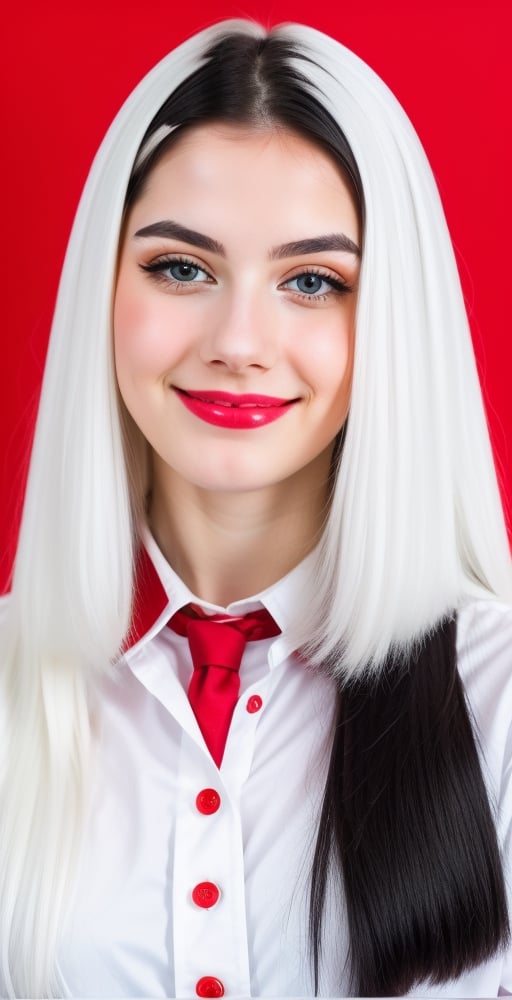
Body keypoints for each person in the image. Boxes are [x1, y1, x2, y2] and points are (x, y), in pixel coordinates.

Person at [0, 18, 511, 999]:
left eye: (311, 281)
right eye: (180, 267)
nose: (239, 340)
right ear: (102, 291)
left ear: (389, 320)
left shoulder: (496, 701)